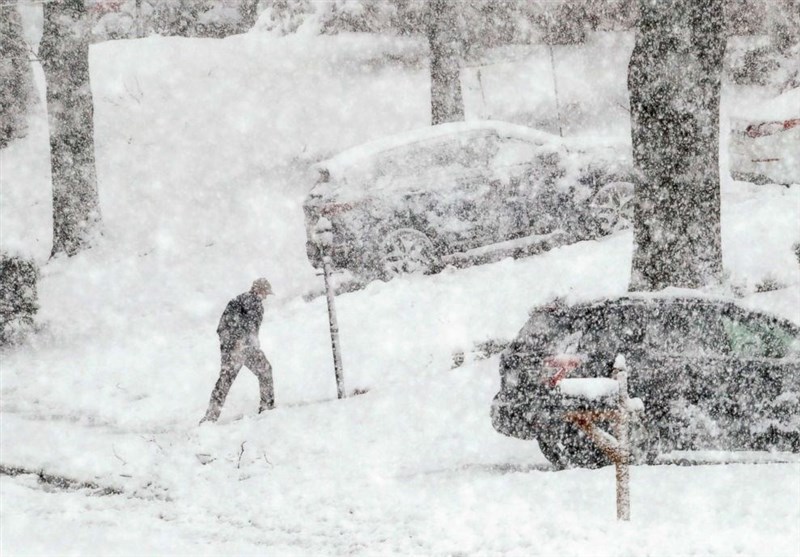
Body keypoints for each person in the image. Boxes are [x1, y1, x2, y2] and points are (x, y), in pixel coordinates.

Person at [201, 278, 275, 423]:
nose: (265, 296)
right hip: (242, 348)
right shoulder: (251, 302)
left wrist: (229, 344)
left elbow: (222, 327)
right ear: (258, 290)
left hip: (234, 348)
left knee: (224, 381)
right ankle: (267, 407)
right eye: (265, 292)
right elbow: (247, 328)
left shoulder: (238, 301)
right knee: (265, 370)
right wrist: (240, 342)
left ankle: (210, 417)